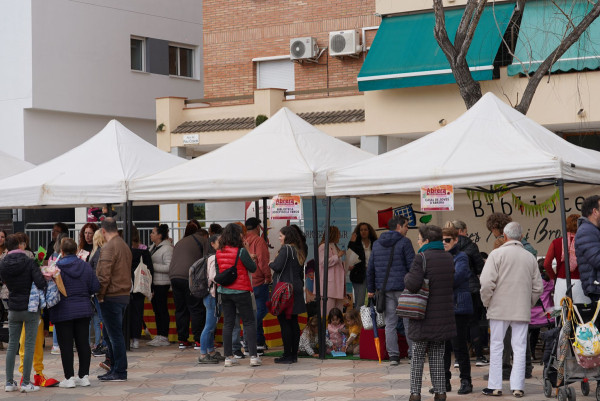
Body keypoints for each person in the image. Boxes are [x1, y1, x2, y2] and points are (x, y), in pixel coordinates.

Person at [480, 222, 543, 398]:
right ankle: (518, 386)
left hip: (498, 307)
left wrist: (487, 302)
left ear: (505, 237)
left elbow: (486, 283)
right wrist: (527, 302)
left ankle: (495, 386)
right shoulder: (530, 257)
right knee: (520, 346)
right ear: (521, 237)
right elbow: (538, 287)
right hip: (521, 308)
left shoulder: (496, 254)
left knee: (497, 346)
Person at [404, 225, 456, 401]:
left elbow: (412, 284)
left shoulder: (421, 258)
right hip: (443, 316)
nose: (418, 242)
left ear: (426, 241)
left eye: (419, 239)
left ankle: (415, 394)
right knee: (436, 356)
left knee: (417, 356)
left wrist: (406, 276)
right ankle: (440, 393)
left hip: (423, 316)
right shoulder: (449, 257)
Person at [49, 238, 100, 388]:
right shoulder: (85, 266)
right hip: (83, 309)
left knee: (65, 345)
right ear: (77, 250)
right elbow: (95, 286)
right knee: (83, 343)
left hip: (62, 310)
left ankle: (69, 378)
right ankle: (84, 376)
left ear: (62, 252)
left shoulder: (56, 268)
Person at [0, 234, 47, 393]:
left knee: (12, 345)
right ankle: (26, 382)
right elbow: (41, 283)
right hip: (30, 308)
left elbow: (4, 281)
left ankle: (8, 382)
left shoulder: (3, 263)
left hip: (13, 308)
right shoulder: (29, 262)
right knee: (29, 345)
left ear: (7, 247)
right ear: (20, 246)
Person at [367, 215, 415, 366]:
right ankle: (413, 354)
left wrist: (371, 289)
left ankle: (394, 356)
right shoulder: (405, 242)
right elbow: (412, 267)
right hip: (404, 289)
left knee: (390, 323)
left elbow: (370, 269)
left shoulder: (377, 244)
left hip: (385, 290)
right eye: (406, 226)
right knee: (408, 323)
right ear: (399, 226)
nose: (407, 229)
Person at [215, 223, 261, 367]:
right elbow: (252, 268)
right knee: (248, 322)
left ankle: (228, 357)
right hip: (241, 291)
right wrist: (247, 250)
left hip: (225, 291)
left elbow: (219, 271)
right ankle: (253, 356)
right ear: (237, 235)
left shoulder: (218, 252)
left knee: (228, 323)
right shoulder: (240, 252)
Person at [444, 220, 488, 366]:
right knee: (474, 322)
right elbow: (480, 267)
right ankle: (479, 356)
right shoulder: (471, 245)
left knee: (456, 324)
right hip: (472, 288)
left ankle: (457, 358)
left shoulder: (446, 246)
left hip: (454, 288)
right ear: (463, 230)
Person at [96, 217, 133, 382]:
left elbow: (104, 276)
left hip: (111, 295)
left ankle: (119, 370)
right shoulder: (124, 245)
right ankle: (115, 369)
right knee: (112, 334)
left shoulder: (109, 247)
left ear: (103, 231)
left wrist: (100, 295)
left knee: (114, 335)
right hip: (123, 294)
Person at [441, 227, 473, 395]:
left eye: (447, 240)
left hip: (458, 306)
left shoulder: (461, 256)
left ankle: (466, 381)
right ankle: (444, 381)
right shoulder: (441, 257)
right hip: (444, 306)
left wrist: (439, 279)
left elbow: (457, 277)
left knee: (459, 346)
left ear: (455, 240)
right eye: (442, 240)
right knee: (443, 347)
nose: (444, 243)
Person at [269, 225, 306, 364]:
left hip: (285, 289)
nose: (279, 238)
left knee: (284, 322)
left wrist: (271, 263)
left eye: (281, 235)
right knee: (294, 322)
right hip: (295, 288)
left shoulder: (286, 249)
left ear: (287, 236)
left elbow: (278, 266)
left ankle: (287, 355)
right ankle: (293, 355)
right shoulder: (298, 249)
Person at [168, 222, 208, 349]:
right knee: (196, 308)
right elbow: (209, 259)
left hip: (174, 278)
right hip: (189, 278)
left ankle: (182, 340)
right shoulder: (202, 241)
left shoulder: (181, 241)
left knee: (181, 309)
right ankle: (198, 340)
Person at [545, 213, 590, 306]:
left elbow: (546, 264)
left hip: (562, 283)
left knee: (562, 315)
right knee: (582, 316)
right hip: (582, 283)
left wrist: (554, 277)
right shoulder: (586, 242)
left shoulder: (556, 242)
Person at [245, 217, 272, 353]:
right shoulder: (259, 240)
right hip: (258, 281)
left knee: (254, 311)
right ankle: (249, 338)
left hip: (246, 281)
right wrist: (268, 276)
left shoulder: (242, 240)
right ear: (257, 227)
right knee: (261, 310)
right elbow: (262, 262)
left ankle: (259, 342)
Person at [198, 235, 224, 364]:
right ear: (212, 244)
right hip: (212, 295)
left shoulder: (213, 257)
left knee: (211, 326)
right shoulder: (214, 258)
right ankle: (203, 354)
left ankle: (211, 351)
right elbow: (214, 277)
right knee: (209, 326)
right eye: (220, 241)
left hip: (213, 295)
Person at [147, 224, 173, 347]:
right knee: (156, 310)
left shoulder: (167, 248)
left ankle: (164, 335)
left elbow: (169, 267)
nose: (151, 235)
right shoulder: (153, 247)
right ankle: (159, 334)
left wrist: (153, 266)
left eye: (153, 232)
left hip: (162, 283)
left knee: (162, 309)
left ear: (160, 235)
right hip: (154, 283)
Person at [130, 226, 154, 349]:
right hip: (140, 285)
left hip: (126, 285)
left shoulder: (124, 250)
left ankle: (127, 337)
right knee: (138, 312)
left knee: (127, 313)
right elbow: (150, 269)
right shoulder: (144, 250)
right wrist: (152, 287)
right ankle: (136, 339)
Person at [316, 226, 346, 314]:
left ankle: (337, 327)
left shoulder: (334, 246)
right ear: (333, 235)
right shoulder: (323, 246)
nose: (340, 236)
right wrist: (338, 256)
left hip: (337, 285)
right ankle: (326, 327)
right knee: (328, 311)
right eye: (338, 234)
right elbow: (324, 262)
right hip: (329, 285)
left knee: (338, 312)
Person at [347, 222, 377, 309]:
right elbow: (350, 256)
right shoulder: (355, 243)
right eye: (361, 230)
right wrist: (351, 242)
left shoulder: (375, 242)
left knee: (376, 299)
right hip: (359, 274)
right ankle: (358, 321)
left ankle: (375, 321)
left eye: (365, 230)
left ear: (369, 231)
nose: (363, 232)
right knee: (360, 301)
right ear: (358, 232)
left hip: (373, 274)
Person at [576, 195, 600, 302]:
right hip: (597, 287)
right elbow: (597, 259)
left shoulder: (593, 230)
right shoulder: (586, 231)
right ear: (595, 211)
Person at [89, 230, 107, 357]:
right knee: (101, 317)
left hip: (98, 289)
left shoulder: (97, 252)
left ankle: (105, 343)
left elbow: (93, 271)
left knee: (102, 317)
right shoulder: (104, 251)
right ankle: (103, 342)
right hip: (101, 288)